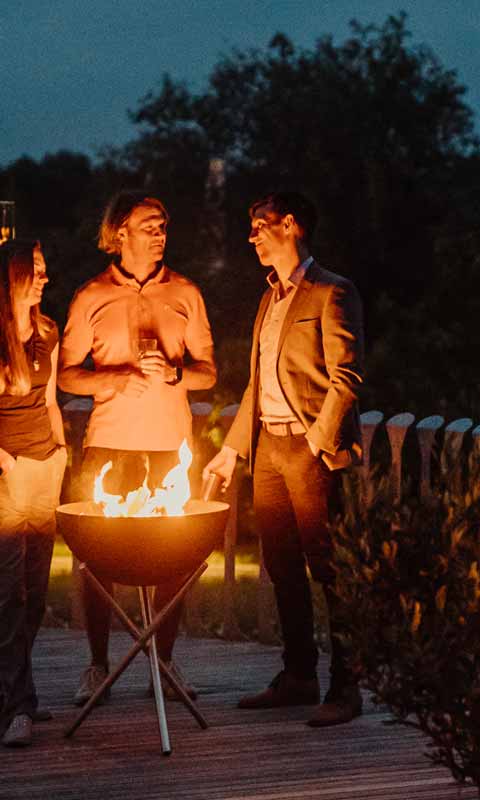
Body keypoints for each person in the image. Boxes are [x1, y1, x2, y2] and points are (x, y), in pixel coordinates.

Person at [203, 191, 365, 727]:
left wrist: (318, 445)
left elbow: (346, 380)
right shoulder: (269, 298)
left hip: (309, 449)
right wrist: (230, 451)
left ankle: (346, 688)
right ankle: (299, 676)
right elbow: (258, 380)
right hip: (268, 449)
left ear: (289, 224)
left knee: (330, 569)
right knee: (281, 567)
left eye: (258, 225)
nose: (250, 236)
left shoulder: (331, 291)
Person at [58, 192, 216, 707]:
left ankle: (162, 663)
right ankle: (98, 667)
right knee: (98, 560)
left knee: (174, 558)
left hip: (171, 448)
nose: (160, 231)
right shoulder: (90, 296)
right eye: (149, 224)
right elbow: (67, 375)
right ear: (119, 231)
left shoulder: (186, 293)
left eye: (164, 224)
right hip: (110, 446)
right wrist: (117, 377)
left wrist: (174, 372)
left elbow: (208, 372)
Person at [0, 240, 67, 747]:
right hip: (7, 473)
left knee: (36, 593)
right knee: (8, 595)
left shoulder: (47, 331)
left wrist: (62, 451)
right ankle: (19, 705)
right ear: (14, 276)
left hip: (46, 467)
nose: (44, 279)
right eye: (36, 271)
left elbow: (49, 400)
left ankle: (16, 696)